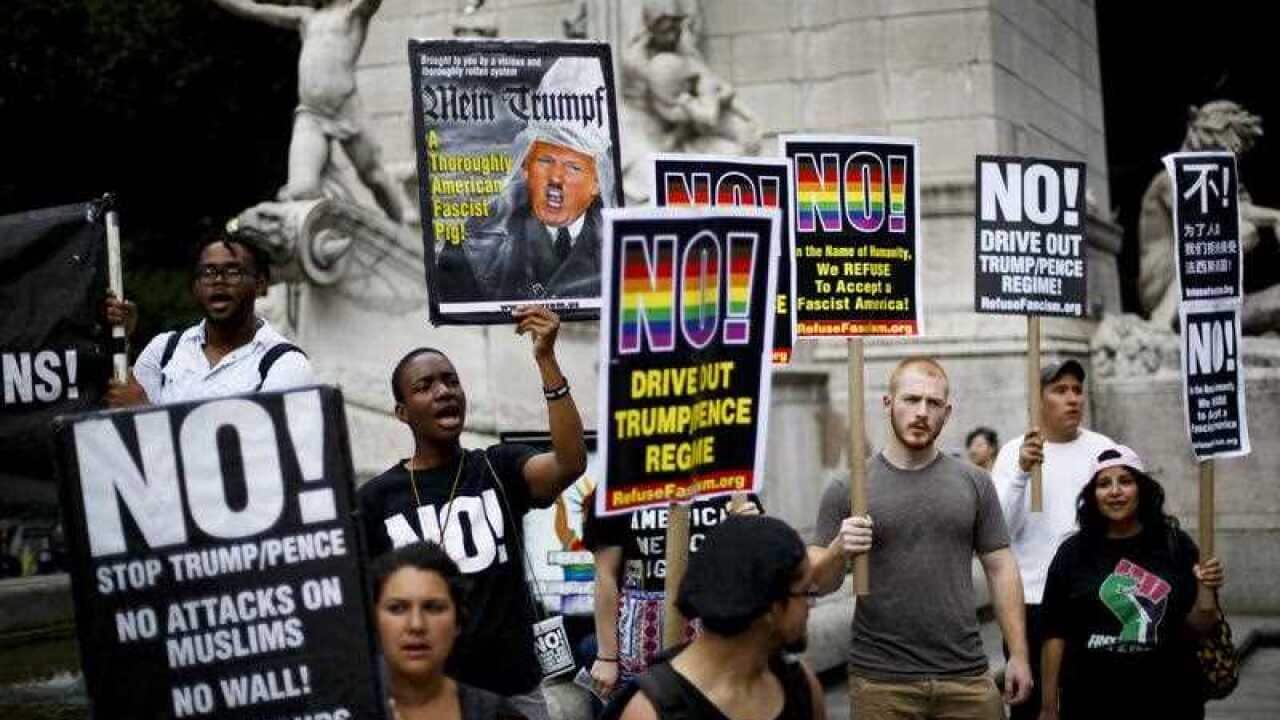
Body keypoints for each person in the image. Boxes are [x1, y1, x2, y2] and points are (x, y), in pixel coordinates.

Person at [356, 305, 586, 720]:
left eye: (451, 381)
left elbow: (569, 463)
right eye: (425, 386)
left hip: (515, 696)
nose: (444, 391)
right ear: (402, 412)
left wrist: (547, 360)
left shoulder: (498, 468)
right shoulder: (376, 499)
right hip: (429, 701)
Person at [810, 356, 1032, 720]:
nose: (922, 412)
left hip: (966, 676)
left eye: (933, 403)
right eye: (911, 399)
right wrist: (838, 550)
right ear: (888, 403)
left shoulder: (974, 482)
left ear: (947, 412)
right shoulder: (848, 487)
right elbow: (818, 584)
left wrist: (1019, 654)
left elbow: (1001, 567)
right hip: (882, 684)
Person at [1038, 445, 1226, 720]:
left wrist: (1206, 591)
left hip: (1171, 699)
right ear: (1092, 496)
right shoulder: (1073, 553)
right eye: (1104, 484)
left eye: (1125, 481)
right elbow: (1054, 632)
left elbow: (1200, 624)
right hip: (1091, 701)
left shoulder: (1176, 545)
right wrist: (1048, 707)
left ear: (1142, 489)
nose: (1115, 491)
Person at [209, 0, 414, 224]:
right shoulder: (305, 18)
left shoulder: (352, 14)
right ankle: (341, 221)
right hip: (311, 114)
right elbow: (253, 9)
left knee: (374, 177)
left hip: (346, 108)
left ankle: (400, 227)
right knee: (301, 189)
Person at [437, 56, 616, 304]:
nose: (556, 177)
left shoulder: (621, 247)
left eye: (573, 167)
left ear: (597, 181)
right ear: (525, 165)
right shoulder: (474, 243)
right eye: (545, 160)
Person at [610, 515, 826, 720]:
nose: (811, 605)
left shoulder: (800, 687)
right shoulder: (651, 711)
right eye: (806, 592)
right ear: (772, 608)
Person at [990, 360, 1113, 720]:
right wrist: (1021, 473)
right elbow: (998, 531)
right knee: (1030, 706)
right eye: (1060, 390)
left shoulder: (1102, 449)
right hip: (1031, 602)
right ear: (1038, 399)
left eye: (1077, 390)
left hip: (1090, 598)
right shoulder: (1014, 452)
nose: (1073, 399)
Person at [104, 235, 315, 407]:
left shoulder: (285, 364)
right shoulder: (163, 351)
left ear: (260, 284)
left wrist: (144, 411)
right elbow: (126, 426)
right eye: (208, 272)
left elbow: (265, 442)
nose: (218, 281)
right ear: (194, 286)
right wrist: (121, 339)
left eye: (232, 272)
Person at [585, 493, 761, 698]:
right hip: (640, 651)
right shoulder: (620, 483)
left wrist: (753, 530)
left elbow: (756, 567)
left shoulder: (731, 484)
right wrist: (607, 657)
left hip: (718, 644)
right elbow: (606, 574)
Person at [371, 541, 524, 720]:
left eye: (433, 608)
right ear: (373, 619)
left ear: (458, 621)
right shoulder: (348, 710)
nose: (416, 625)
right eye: (397, 608)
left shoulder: (497, 714)